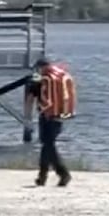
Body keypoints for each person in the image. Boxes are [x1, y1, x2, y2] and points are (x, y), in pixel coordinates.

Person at [25, 57, 77, 187]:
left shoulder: (40, 77)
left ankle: (63, 173)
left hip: (47, 114)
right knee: (47, 145)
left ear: (40, 67)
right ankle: (42, 177)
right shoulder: (62, 74)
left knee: (48, 145)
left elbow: (31, 97)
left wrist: (27, 116)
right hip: (61, 114)